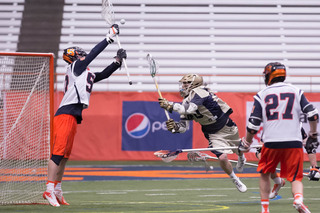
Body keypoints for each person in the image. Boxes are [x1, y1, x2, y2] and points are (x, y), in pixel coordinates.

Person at [43, 24, 127, 207]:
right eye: (80, 54)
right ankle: (48, 190)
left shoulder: (84, 73)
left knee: (64, 156)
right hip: (65, 113)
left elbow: (103, 75)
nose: (83, 56)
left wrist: (117, 61)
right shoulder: (75, 67)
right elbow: (93, 54)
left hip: (73, 115)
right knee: (57, 154)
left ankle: (57, 189)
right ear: (74, 57)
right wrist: (109, 37)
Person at [241, 62, 319, 213]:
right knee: (296, 177)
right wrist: (313, 133)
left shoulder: (262, 94)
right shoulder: (296, 91)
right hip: (294, 142)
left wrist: (247, 142)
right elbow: (313, 114)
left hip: (271, 142)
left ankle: (265, 209)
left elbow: (253, 125)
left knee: (264, 174)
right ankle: (298, 199)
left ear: (269, 76)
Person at [158, 74, 248, 193]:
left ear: (194, 84)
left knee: (240, 148)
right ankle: (235, 179)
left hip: (226, 126)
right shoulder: (185, 101)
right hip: (212, 133)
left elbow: (189, 109)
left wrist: (170, 105)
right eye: (183, 83)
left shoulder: (199, 92)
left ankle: (241, 158)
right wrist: (174, 127)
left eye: (186, 83)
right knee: (222, 157)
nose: (183, 85)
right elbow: (183, 127)